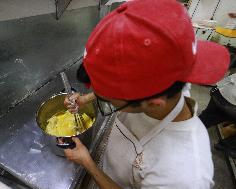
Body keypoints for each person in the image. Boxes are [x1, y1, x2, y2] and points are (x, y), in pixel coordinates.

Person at [63, 0, 230, 188]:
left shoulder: (183, 176)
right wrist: (86, 98)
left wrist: (88, 164)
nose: (101, 98)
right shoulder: (168, 73)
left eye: (107, 100)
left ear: (153, 103)